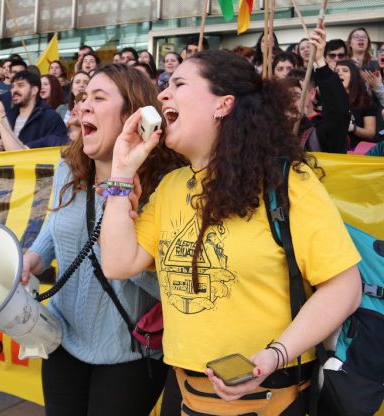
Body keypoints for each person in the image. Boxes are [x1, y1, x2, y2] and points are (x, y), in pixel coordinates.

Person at [99, 49, 361, 415]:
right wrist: (122, 174)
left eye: (179, 84)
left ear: (223, 104)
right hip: (184, 391)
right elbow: (117, 263)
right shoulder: (172, 186)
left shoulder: (287, 182)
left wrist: (274, 355)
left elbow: (345, 287)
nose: (161, 95)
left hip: (270, 396)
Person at [22, 64, 178, 416]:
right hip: (63, 339)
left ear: (132, 114)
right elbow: (54, 223)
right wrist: (33, 258)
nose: (82, 106)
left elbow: (170, 285)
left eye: (99, 97)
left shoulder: (165, 185)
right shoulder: (70, 166)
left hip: (129, 354)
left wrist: (121, 245)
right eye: (82, 97)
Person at [288, 27, 350, 154]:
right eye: (283, 97)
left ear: (311, 94)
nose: (288, 102)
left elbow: (338, 112)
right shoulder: (272, 133)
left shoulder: (321, 131)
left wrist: (320, 61)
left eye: (295, 96)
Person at [0, 70, 68, 151]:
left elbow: (58, 145)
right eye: (12, 87)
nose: (14, 90)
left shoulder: (50, 117)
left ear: (34, 90)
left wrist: (1, 117)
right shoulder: (10, 115)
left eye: (21, 85)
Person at [336, 60, 377, 147]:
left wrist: (353, 128)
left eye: (345, 70)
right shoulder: (328, 99)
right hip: (333, 152)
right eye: (337, 71)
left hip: (356, 154)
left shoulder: (365, 100)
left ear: (353, 76)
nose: (339, 73)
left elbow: (371, 133)